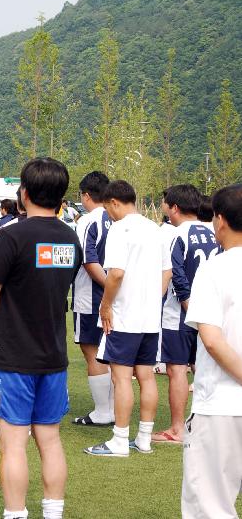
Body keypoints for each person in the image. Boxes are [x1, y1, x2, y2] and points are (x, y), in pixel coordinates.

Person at [0, 158, 82, 519]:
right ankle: (53, 512)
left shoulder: (12, 236)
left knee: (13, 444)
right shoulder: (70, 238)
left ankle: (15, 513)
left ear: (23, 193)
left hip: (13, 354)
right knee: (50, 439)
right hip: (53, 354)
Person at [85, 180, 170, 458]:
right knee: (146, 377)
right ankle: (144, 438)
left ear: (113, 202)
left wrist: (106, 306)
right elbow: (166, 273)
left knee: (121, 378)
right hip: (149, 317)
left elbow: (116, 274)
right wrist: (152, 300)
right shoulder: (155, 229)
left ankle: (120, 439)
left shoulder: (120, 230)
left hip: (124, 316)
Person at [181, 183, 242, 519]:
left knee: (210, 506)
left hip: (221, 404)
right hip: (221, 403)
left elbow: (213, 340)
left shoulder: (214, 269)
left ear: (219, 220)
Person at [154, 185, 219, 444]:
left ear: (175, 208)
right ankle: (205, 426)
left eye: (166, 205)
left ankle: (178, 428)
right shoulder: (215, 231)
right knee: (206, 368)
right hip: (211, 311)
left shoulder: (174, 234)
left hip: (180, 313)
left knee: (177, 369)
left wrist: (186, 303)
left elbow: (175, 272)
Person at [71, 171, 115, 427]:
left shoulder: (88, 221)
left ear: (86, 196)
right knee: (109, 353)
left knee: (92, 352)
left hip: (91, 296)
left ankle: (102, 411)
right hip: (116, 296)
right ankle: (110, 408)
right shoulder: (117, 217)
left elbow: (87, 259)